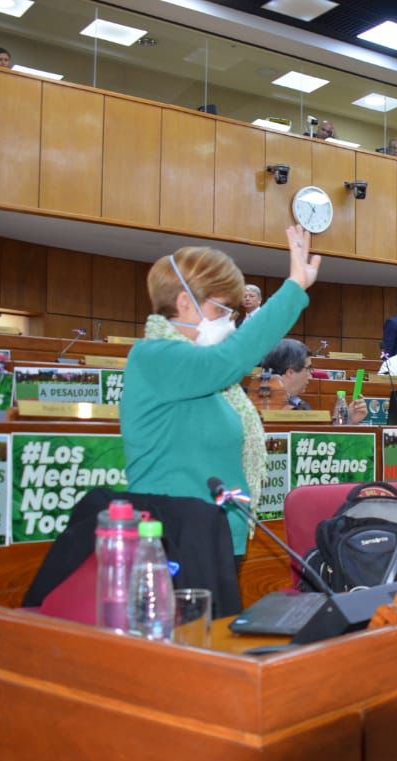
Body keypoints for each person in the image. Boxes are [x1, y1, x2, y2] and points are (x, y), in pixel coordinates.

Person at [122, 224, 318, 568]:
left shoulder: (219, 387)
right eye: (222, 310)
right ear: (184, 302)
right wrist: (294, 288)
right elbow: (230, 359)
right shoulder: (154, 357)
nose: (230, 322)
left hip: (221, 536)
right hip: (173, 535)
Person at [260, 339, 367, 422]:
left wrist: (347, 421)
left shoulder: (301, 406)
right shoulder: (260, 406)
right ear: (290, 372)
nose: (310, 377)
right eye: (308, 369)